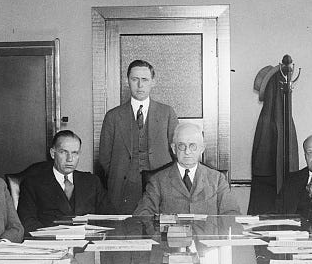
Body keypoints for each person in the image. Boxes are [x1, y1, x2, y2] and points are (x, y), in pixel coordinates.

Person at [98, 59, 179, 213]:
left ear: (153, 82)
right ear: (127, 81)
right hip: (123, 190)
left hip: (160, 187)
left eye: (145, 80)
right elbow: (104, 158)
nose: (140, 85)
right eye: (135, 79)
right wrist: (122, 176)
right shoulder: (113, 116)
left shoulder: (167, 113)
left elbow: (177, 152)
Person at [134, 122, 241, 217]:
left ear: (202, 148)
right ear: (174, 149)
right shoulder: (158, 180)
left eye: (193, 146)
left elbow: (231, 214)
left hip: (207, 233)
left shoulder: (217, 179)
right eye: (182, 146)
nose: (187, 152)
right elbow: (142, 215)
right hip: (170, 233)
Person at [17, 130, 107, 232]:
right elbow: (27, 222)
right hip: (50, 240)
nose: (70, 159)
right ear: (53, 153)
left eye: (74, 153)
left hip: (89, 239)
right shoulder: (32, 184)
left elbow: (110, 216)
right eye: (63, 152)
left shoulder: (92, 182)